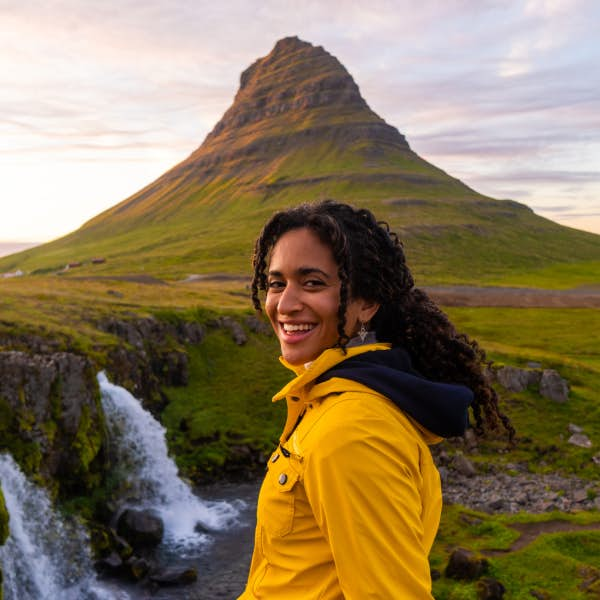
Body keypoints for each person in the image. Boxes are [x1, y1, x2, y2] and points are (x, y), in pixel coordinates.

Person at [239, 200, 512, 599]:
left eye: (312, 282)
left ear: (366, 303)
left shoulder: (353, 431)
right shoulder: (337, 398)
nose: (285, 303)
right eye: (276, 282)